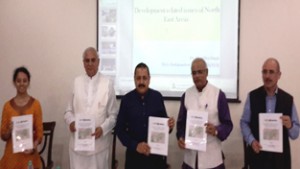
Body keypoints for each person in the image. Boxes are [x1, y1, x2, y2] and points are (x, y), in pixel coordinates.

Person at [240, 58, 300, 169]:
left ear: (279, 75)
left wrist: (290, 125)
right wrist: (252, 141)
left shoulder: (288, 100)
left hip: (280, 161)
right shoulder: (252, 96)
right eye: (264, 72)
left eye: (271, 72)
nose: (267, 76)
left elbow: (295, 134)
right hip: (257, 158)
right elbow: (244, 123)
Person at [64, 47, 118, 169]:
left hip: (98, 148)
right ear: (83, 63)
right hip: (77, 149)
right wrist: (71, 122)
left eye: (93, 60)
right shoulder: (76, 82)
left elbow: (113, 115)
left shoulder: (107, 84)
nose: (90, 64)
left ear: (98, 62)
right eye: (86, 60)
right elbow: (68, 111)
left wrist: (103, 129)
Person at [115, 62, 175, 169]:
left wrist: (169, 125)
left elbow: (164, 125)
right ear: (134, 79)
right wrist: (136, 146)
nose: (141, 82)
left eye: (144, 78)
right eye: (138, 78)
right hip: (134, 159)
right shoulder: (126, 100)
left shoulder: (157, 97)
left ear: (149, 79)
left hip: (156, 160)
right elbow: (120, 130)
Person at [176, 58, 233, 169]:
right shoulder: (186, 95)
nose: (197, 76)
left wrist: (216, 130)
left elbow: (228, 125)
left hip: (212, 159)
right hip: (190, 160)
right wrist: (181, 138)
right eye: (194, 73)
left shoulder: (218, 95)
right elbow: (181, 124)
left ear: (207, 72)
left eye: (200, 72)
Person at [0, 66, 44, 169]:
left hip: (29, 154)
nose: (21, 84)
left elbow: (40, 133)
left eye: (24, 81)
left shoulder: (36, 104)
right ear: (14, 82)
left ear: (28, 82)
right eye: (18, 81)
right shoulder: (7, 106)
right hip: (12, 156)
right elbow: (3, 135)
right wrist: (9, 131)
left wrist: (34, 145)